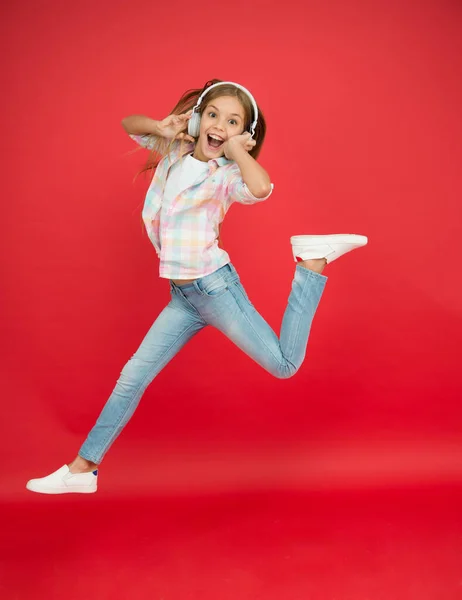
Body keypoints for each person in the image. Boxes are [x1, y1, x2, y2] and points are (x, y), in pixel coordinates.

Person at [26, 79, 368, 494]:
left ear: (243, 133)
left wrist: (239, 151)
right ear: (198, 118)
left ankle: (311, 263)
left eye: (233, 122)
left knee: (284, 365)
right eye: (214, 115)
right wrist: (161, 126)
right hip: (183, 298)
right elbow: (127, 124)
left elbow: (261, 188)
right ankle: (83, 469)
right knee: (132, 377)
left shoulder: (223, 176)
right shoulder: (175, 151)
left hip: (214, 290)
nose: (220, 126)